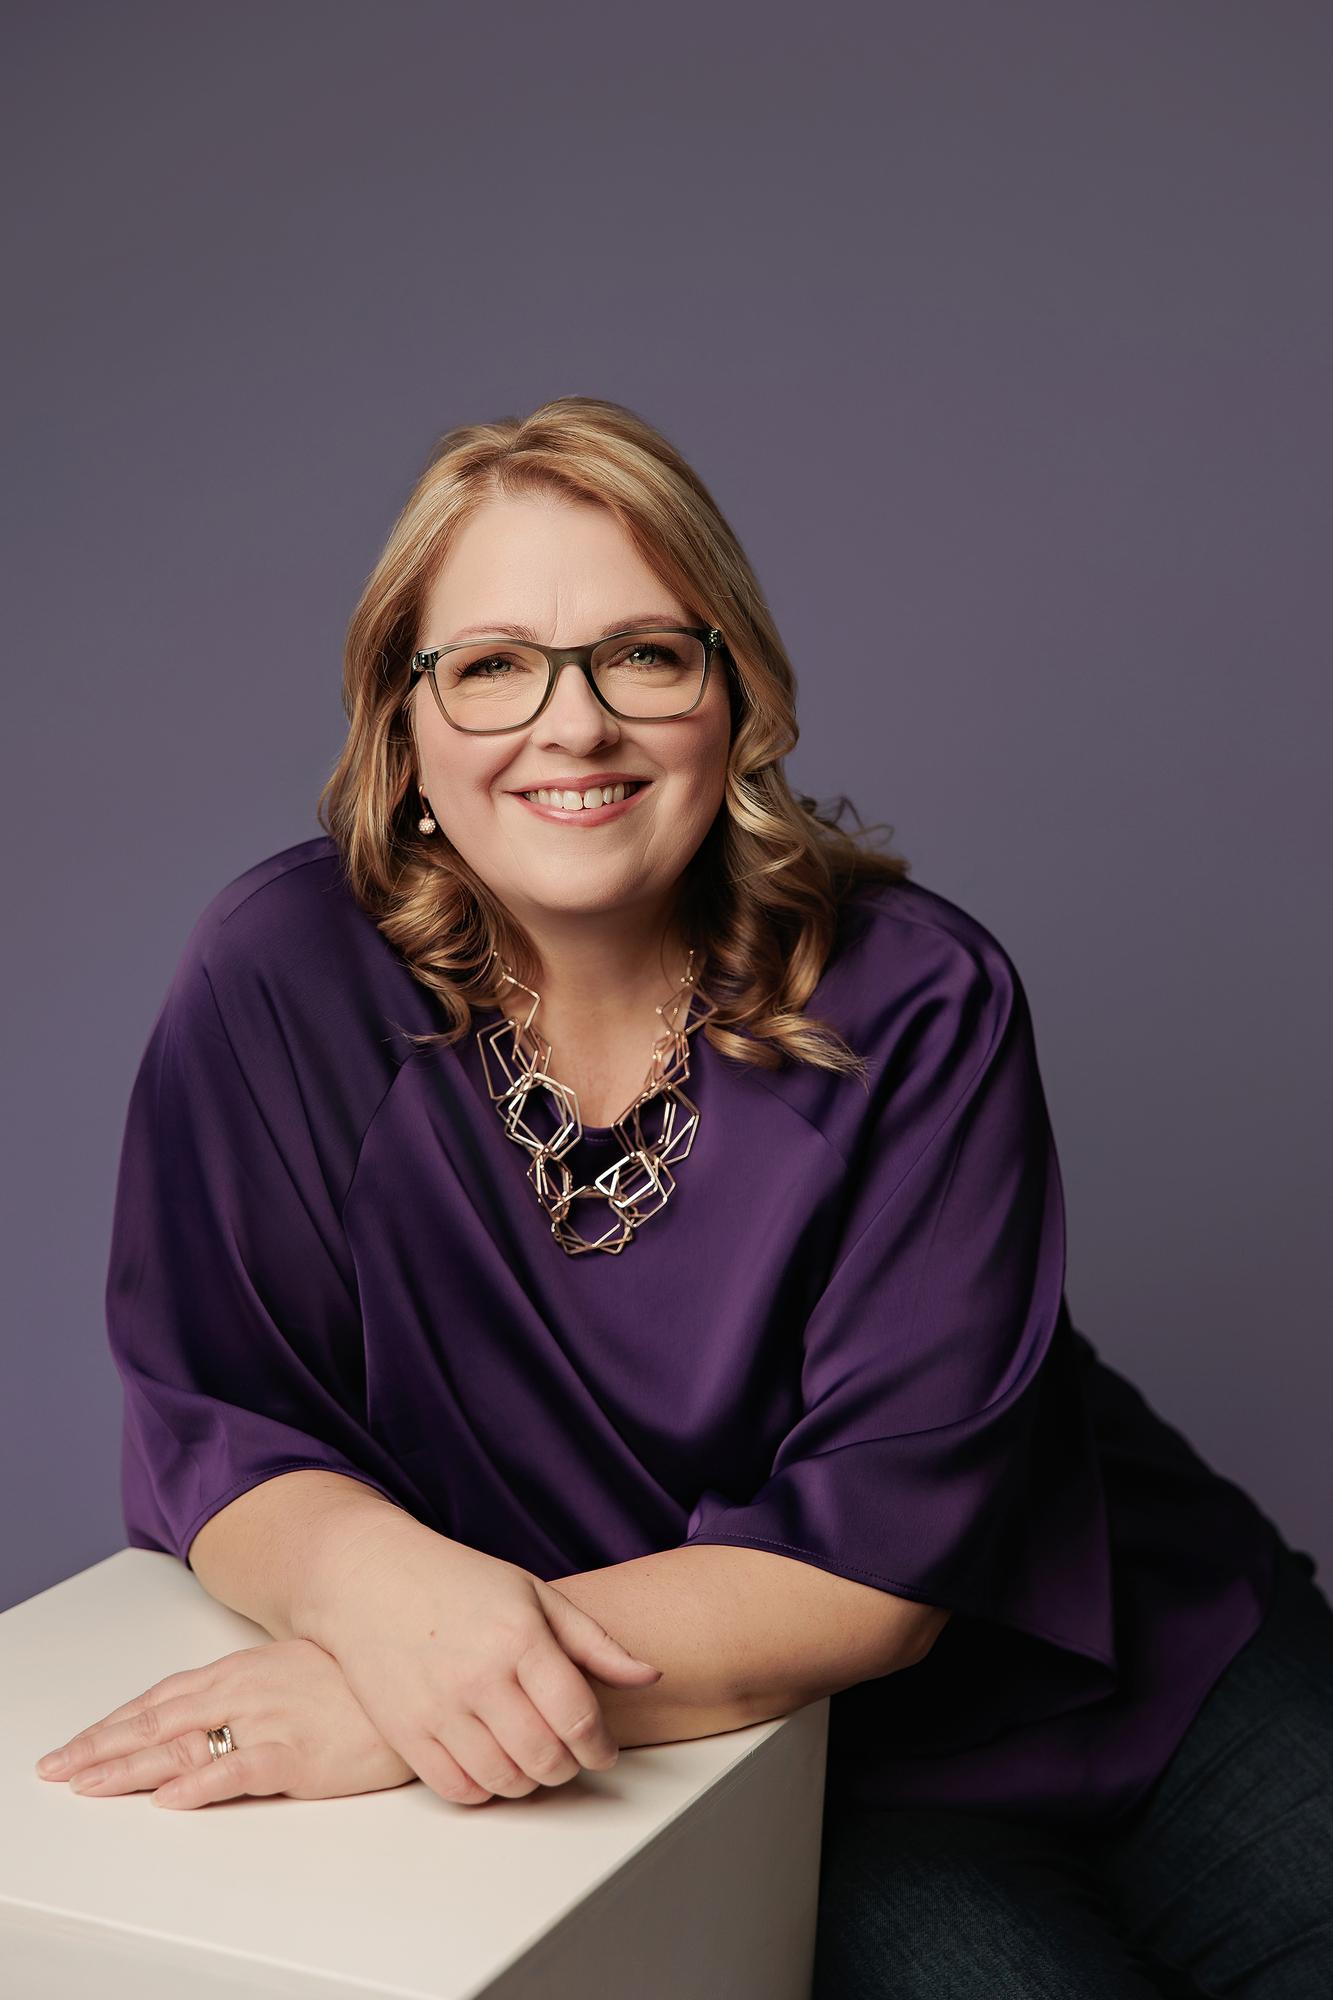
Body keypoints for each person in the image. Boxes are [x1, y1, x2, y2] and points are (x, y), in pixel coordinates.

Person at [39, 398, 1332, 1994]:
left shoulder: (921, 994)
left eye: (642, 655)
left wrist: (414, 1697)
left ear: (737, 703)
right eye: (493, 663)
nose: (569, 726)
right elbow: (221, 1414)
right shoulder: (279, 976)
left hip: (1148, 1664)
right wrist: (389, 1609)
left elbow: (873, 1561)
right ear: (403, 727)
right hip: (776, 1768)